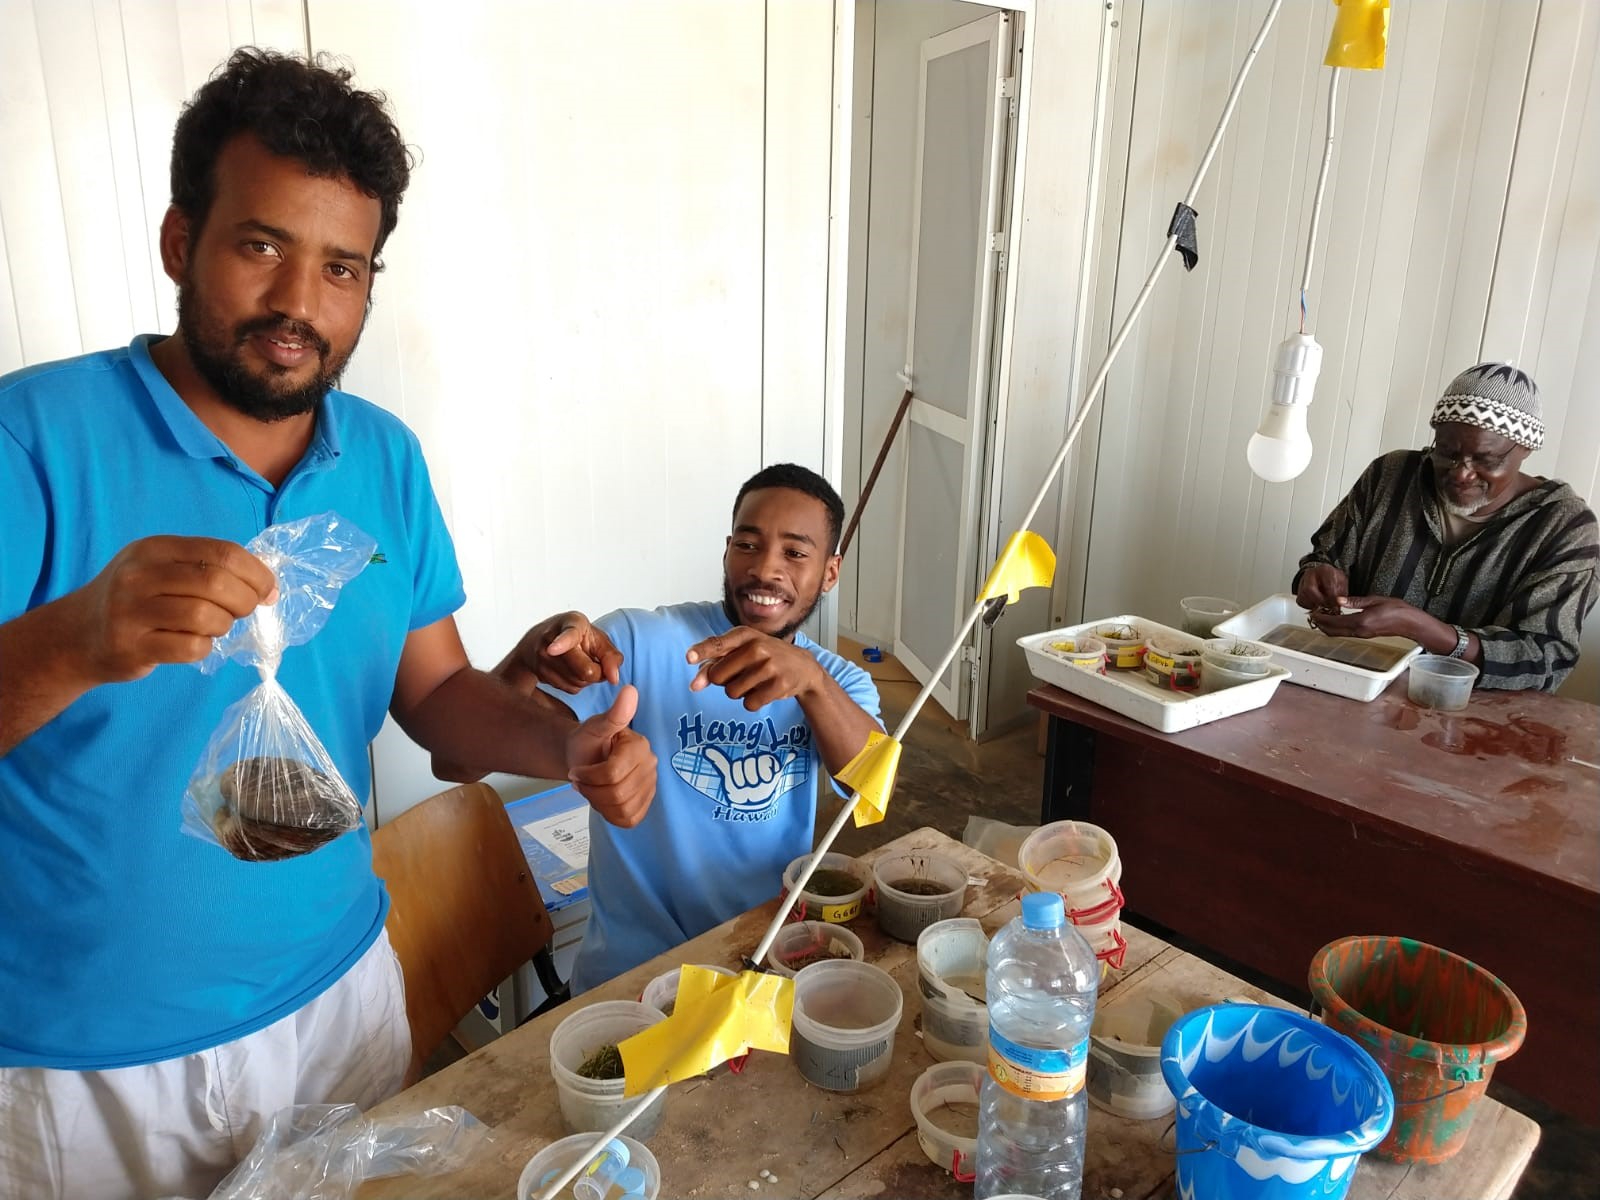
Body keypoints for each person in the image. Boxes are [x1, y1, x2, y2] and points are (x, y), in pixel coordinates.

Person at [0, 50, 655, 1199]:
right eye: (262, 246)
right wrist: (75, 639)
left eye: (342, 268)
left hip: (341, 1003)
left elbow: (440, 702)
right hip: (84, 1071)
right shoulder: (33, 442)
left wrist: (564, 748)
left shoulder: (385, 459)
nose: (301, 304)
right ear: (177, 242)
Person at [440, 464, 882, 991]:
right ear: (726, 550)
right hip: (630, 982)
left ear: (830, 572)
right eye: (748, 543)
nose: (765, 569)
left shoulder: (838, 683)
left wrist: (810, 681)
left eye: (795, 552)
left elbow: (872, 789)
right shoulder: (639, 641)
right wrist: (526, 661)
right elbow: (456, 761)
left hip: (759, 968)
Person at [1295, 362, 1597, 691]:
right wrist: (1316, 573)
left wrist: (1423, 630)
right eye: (1446, 453)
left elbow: (1545, 661)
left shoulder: (1565, 528)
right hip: (1354, 682)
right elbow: (1324, 558)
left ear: (1525, 449)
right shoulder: (1391, 477)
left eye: (1486, 460)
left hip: (1477, 718)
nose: (1460, 474)